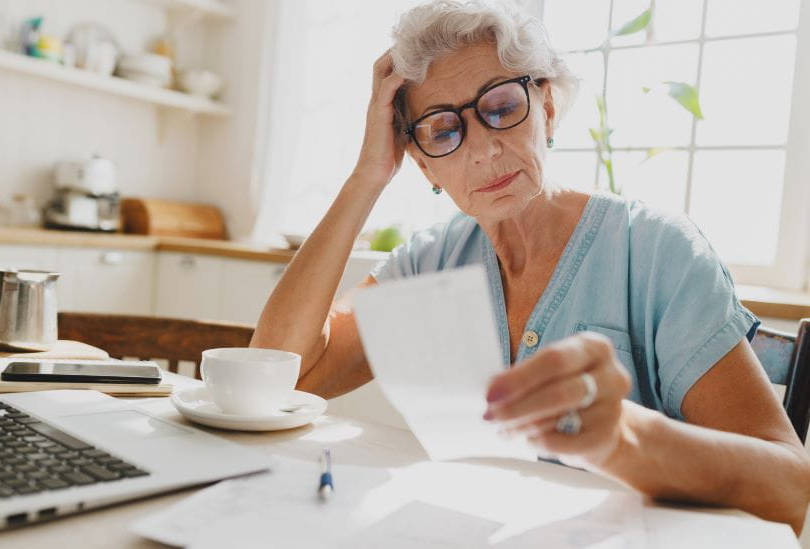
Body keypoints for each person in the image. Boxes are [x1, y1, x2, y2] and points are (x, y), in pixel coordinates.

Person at [251, 0, 810, 533]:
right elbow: (277, 377)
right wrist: (366, 177)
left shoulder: (660, 251)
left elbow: (788, 487)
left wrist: (624, 436)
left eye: (500, 108)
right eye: (443, 131)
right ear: (422, 163)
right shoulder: (432, 260)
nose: (484, 150)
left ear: (545, 107)